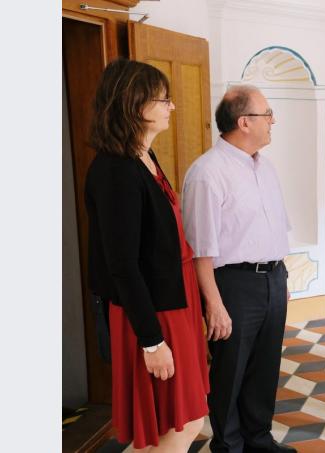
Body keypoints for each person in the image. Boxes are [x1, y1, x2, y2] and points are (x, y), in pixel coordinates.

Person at [85, 58, 208, 451]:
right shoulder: (116, 170)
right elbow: (122, 265)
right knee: (177, 422)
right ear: (137, 105)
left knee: (184, 419)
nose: (172, 106)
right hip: (152, 312)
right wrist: (152, 342)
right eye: (164, 99)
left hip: (173, 301)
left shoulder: (144, 158)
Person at [182, 85, 296, 453]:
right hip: (233, 284)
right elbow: (201, 250)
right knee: (230, 372)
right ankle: (228, 446)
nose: (273, 120)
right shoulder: (207, 173)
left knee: (264, 368)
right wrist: (214, 304)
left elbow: (276, 227)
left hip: (273, 279)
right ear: (244, 122)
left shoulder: (267, 168)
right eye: (267, 114)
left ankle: (258, 438)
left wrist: (284, 279)